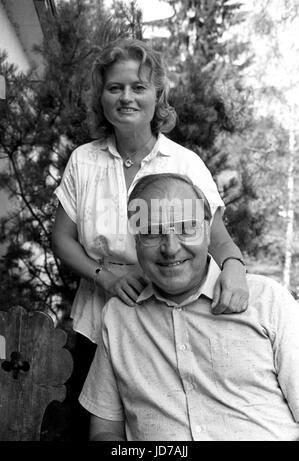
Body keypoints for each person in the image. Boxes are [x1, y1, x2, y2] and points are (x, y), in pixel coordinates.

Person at [51, 38, 248, 437]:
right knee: (89, 429)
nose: (126, 97)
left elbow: (219, 240)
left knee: (163, 428)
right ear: (101, 97)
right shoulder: (83, 161)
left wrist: (236, 268)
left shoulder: (184, 164)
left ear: (158, 96)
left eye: (138, 87)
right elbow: (63, 239)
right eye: (115, 87)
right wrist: (105, 276)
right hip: (97, 323)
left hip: (165, 325)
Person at [79, 173, 299, 441]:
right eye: (152, 232)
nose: (171, 248)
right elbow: (104, 431)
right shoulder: (118, 316)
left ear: (208, 230)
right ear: (135, 239)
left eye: (186, 228)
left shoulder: (267, 301)